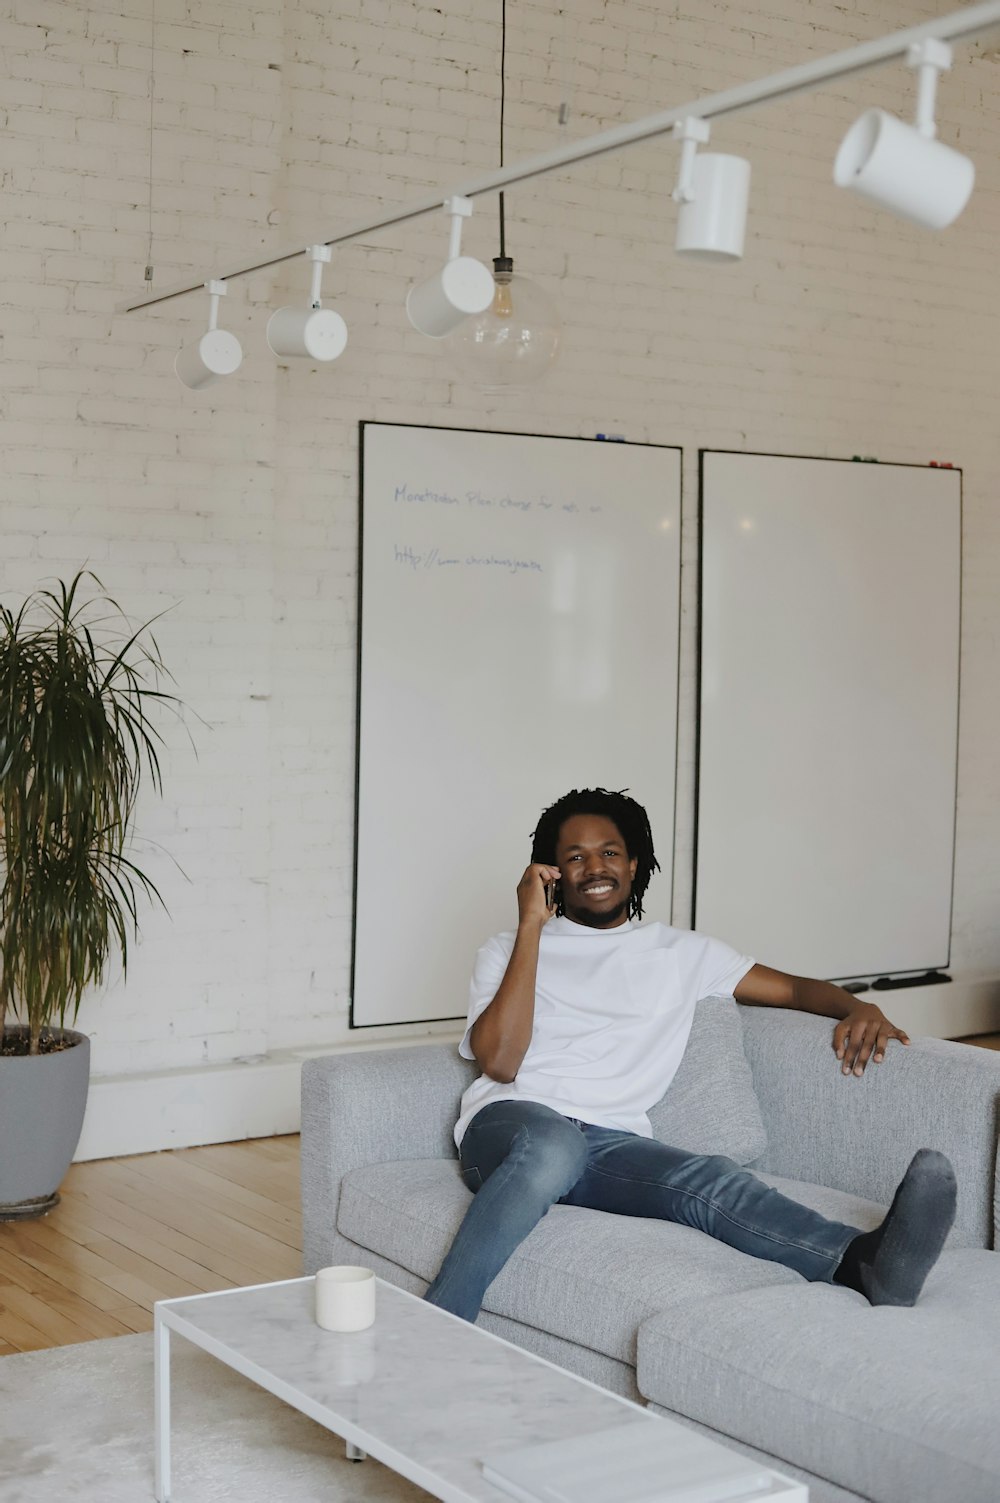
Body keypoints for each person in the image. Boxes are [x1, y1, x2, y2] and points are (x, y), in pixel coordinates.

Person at [424, 786, 957, 1324]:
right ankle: (442, 1323)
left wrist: (855, 1006)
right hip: (509, 1130)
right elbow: (501, 1063)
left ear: (634, 863)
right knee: (553, 1143)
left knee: (709, 1179)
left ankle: (863, 1264)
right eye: (574, 857)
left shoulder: (683, 953)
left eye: (609, 851)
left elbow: (795, 991)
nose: (594, 867)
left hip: (607, 1143)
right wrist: (531, 928)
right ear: (552, 874)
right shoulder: (507, 948)